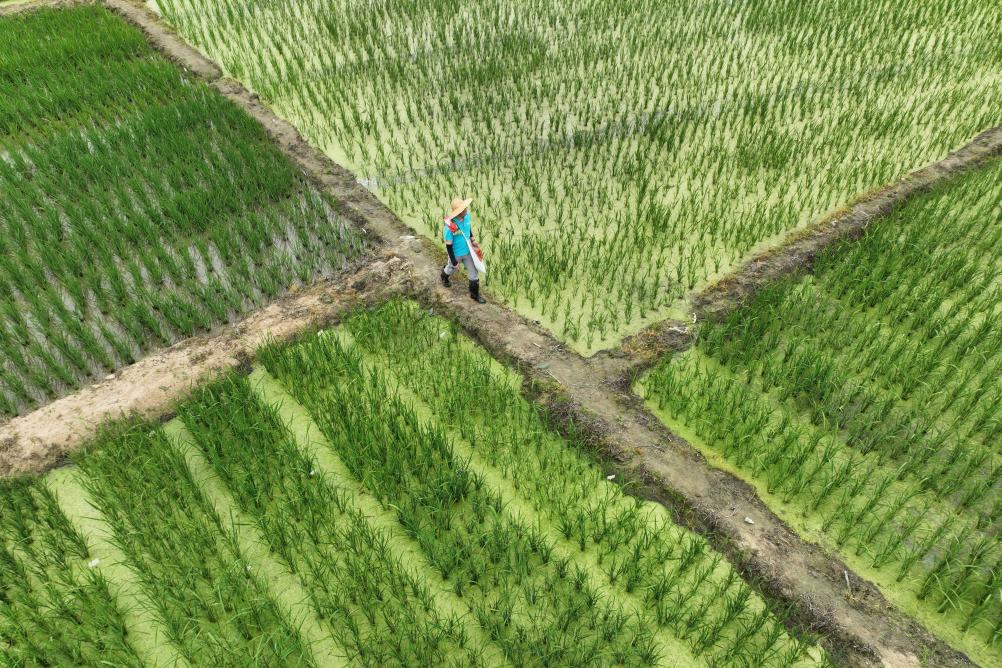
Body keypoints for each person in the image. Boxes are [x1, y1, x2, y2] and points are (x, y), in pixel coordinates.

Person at [440, 197, 486, 304]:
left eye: (465, 207)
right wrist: (454, 261)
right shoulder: (450, 226)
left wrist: (472, 239)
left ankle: (474, 295)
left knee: (474, 273)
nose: (466, 209)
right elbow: (449, 246)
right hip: (456, 254)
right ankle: (444, 276)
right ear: (457, 212)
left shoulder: (467, 216)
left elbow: (468, 228)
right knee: (451, 268)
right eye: (463, 209)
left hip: (468, 252)